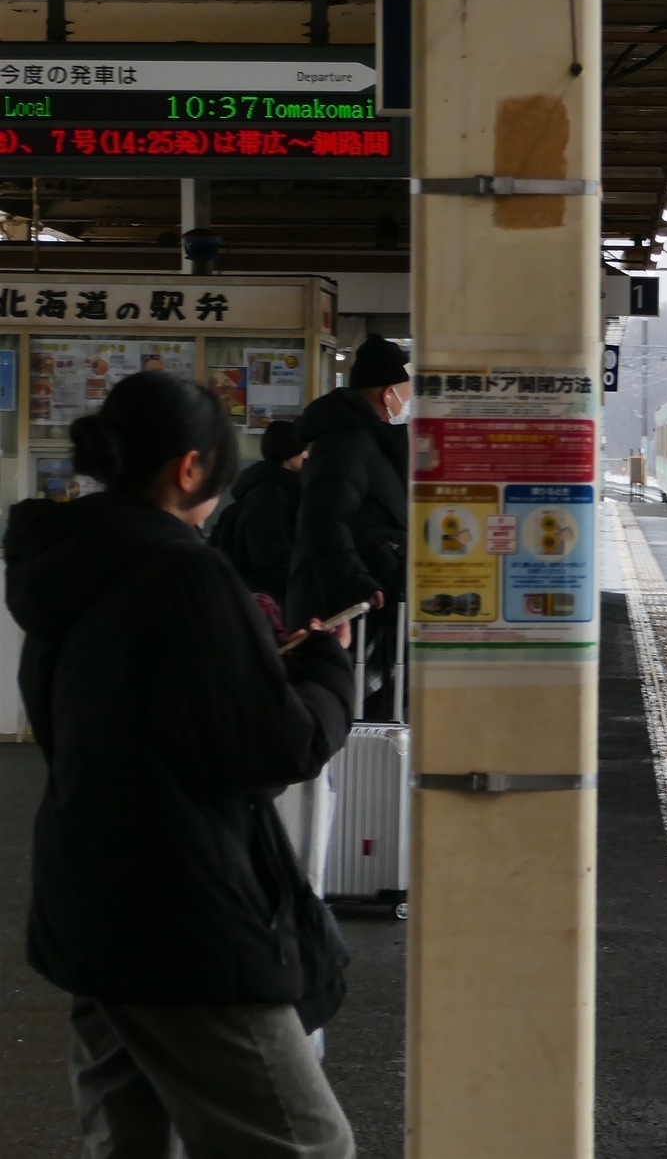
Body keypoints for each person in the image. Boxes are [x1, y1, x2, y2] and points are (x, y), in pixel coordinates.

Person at [4, 371, 357, 1159]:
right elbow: (272, 746)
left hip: (90, 895)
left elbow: (120, 713)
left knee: (130, 1137)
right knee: (305, 1143)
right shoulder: (185, 570)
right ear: (189, 469)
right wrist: (326, 671)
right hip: (181, 912)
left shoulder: (66, 562)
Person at [288, 336, 409, 721]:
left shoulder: (365, 440)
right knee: (348, 716)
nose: (406, 403)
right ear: (388, 393)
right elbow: (325, 519)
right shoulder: (348, 443)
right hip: (344, 609)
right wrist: (357, 580)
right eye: (404, 393)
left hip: (364, 606)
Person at [211, 419, 306, 602]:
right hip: (268, 600)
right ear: (289, 453)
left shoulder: (272, 487)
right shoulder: (270, 495)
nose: (306, 455)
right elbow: (271, 558)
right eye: (302, 449)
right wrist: (301, 589)